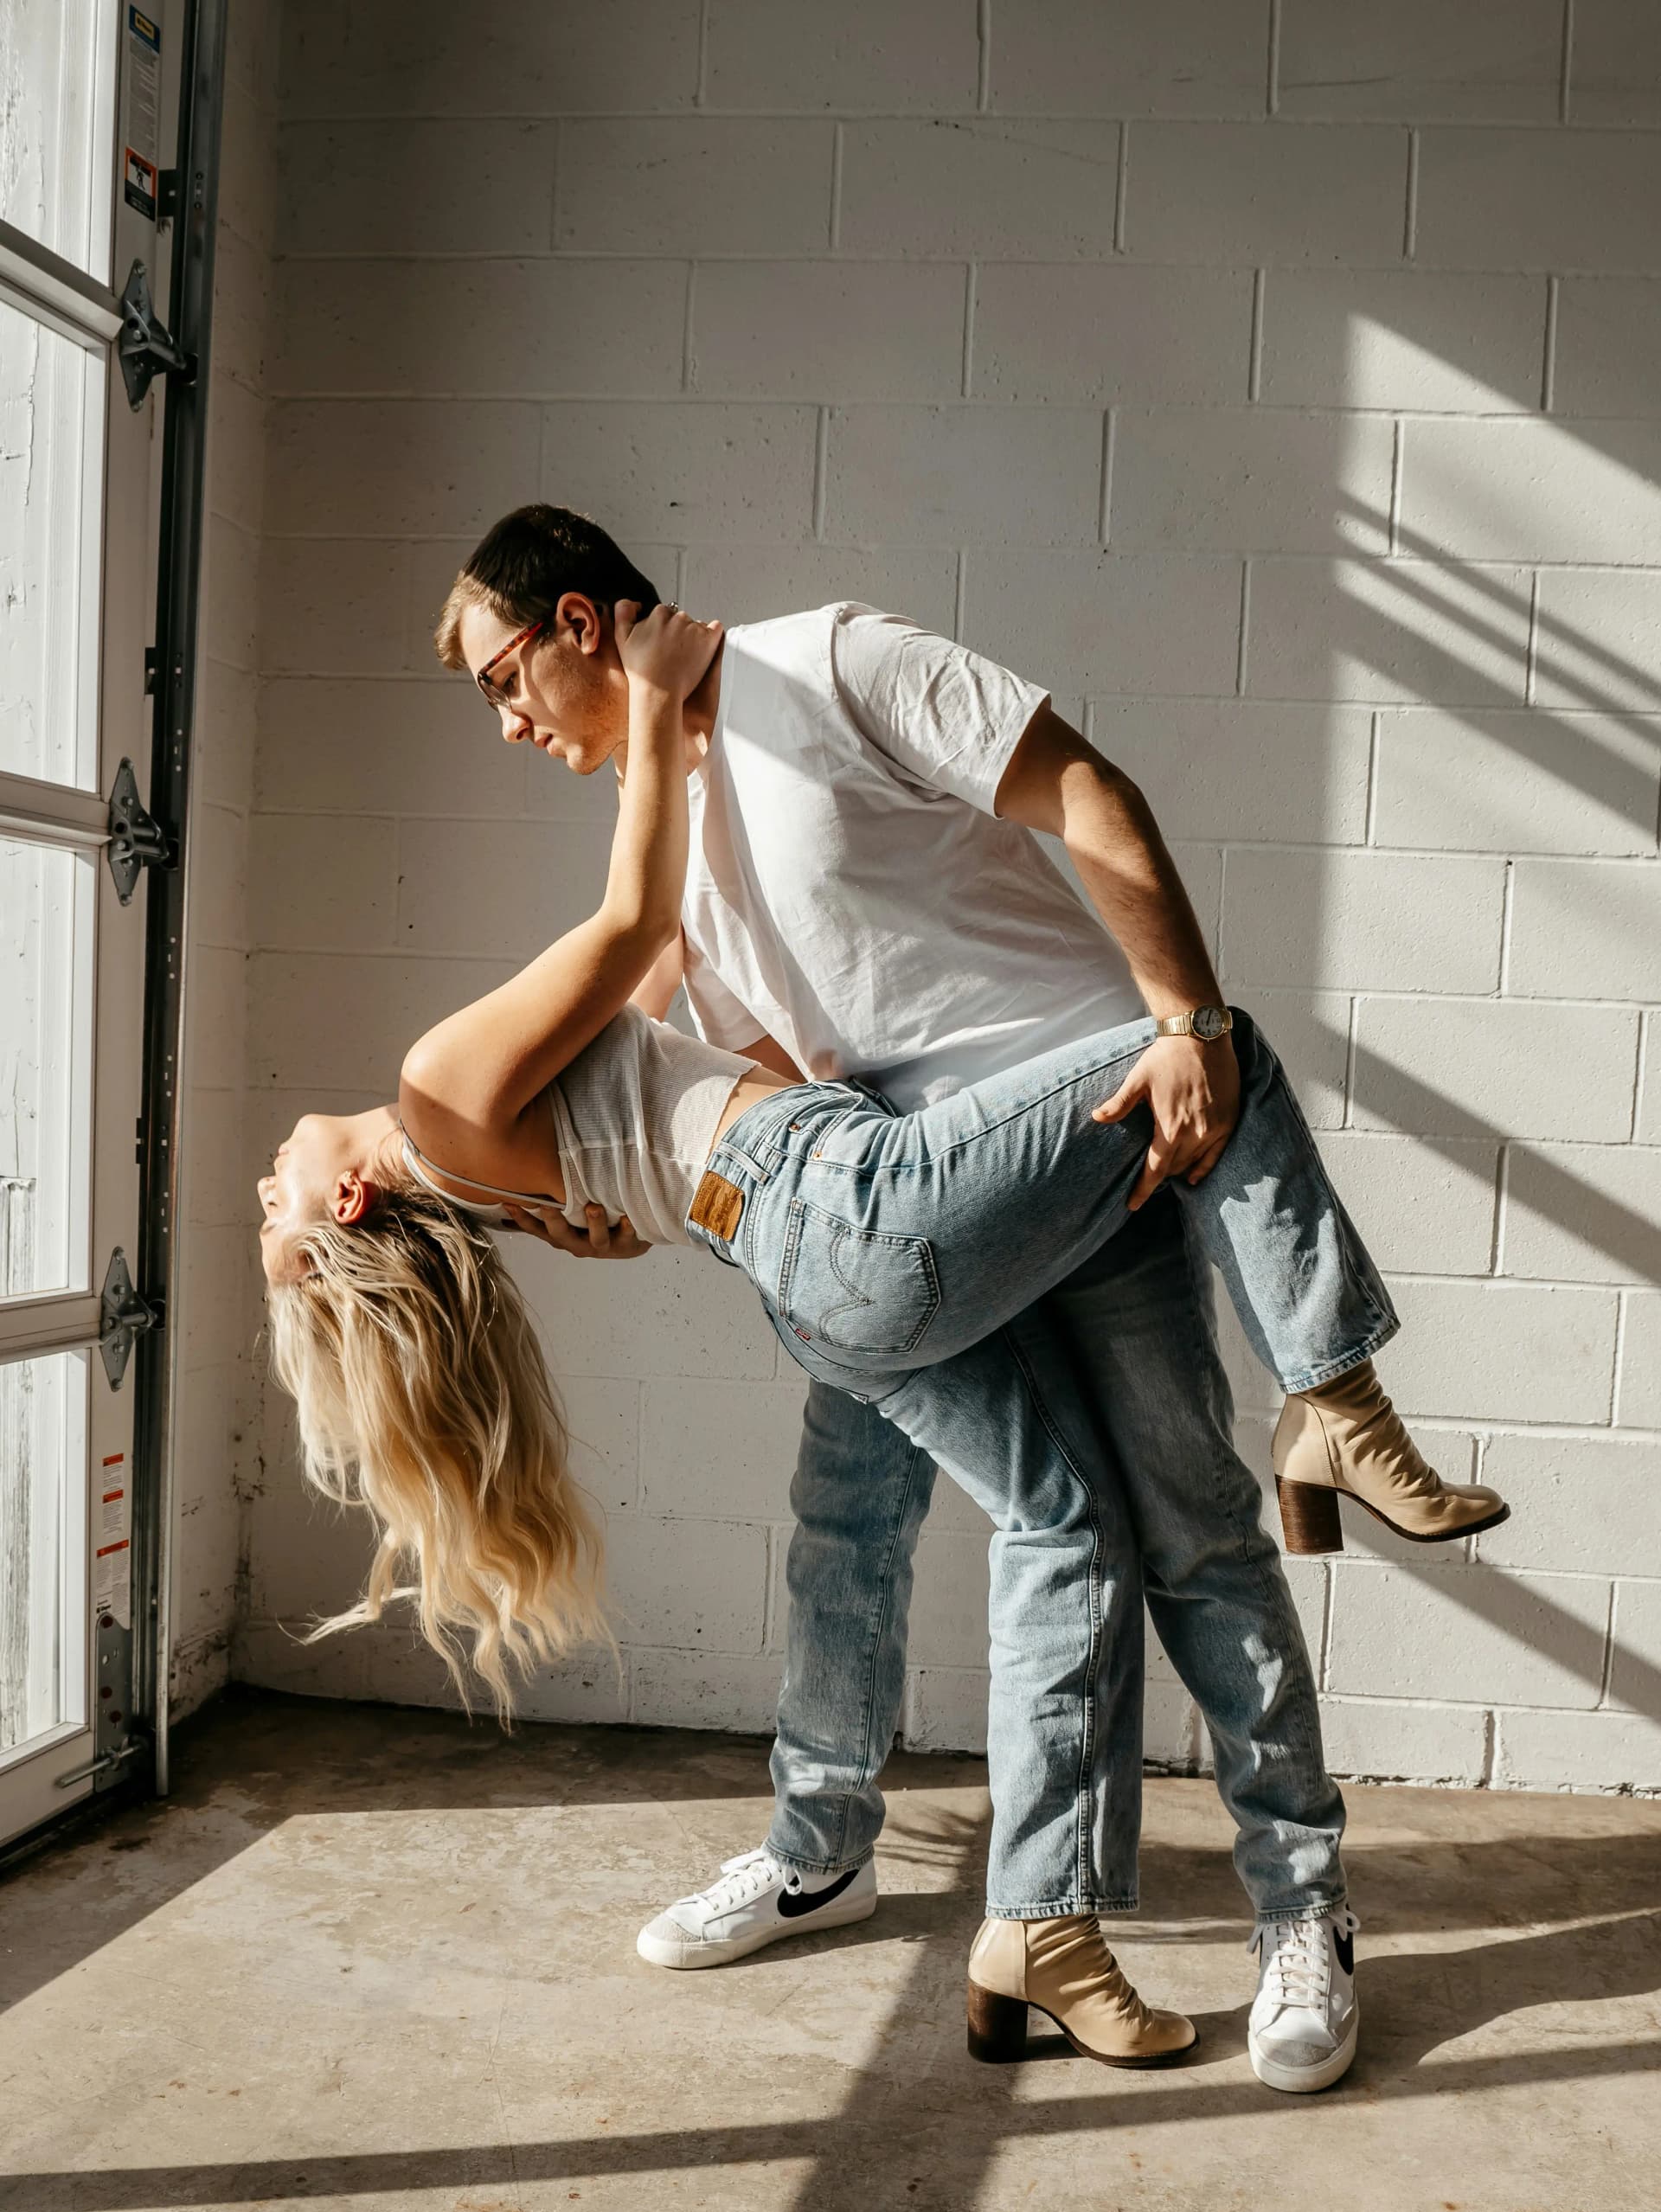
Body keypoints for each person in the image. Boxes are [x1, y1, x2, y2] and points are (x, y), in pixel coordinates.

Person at [260, 587, 1507, 2093]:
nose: (509, 725)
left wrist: (627, 1198)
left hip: (929, 1203)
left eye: (506, 683)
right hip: (871, 1206)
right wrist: (656, 705)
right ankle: (1332, 1391)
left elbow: (701, 1056)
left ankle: (1105, 1924)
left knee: (1105, 1528)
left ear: (577, 622)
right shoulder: (441, 1087)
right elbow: (647, 950)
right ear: (348, 1194)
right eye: (275, 1206)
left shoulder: (821, 670)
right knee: (1204, 1046)